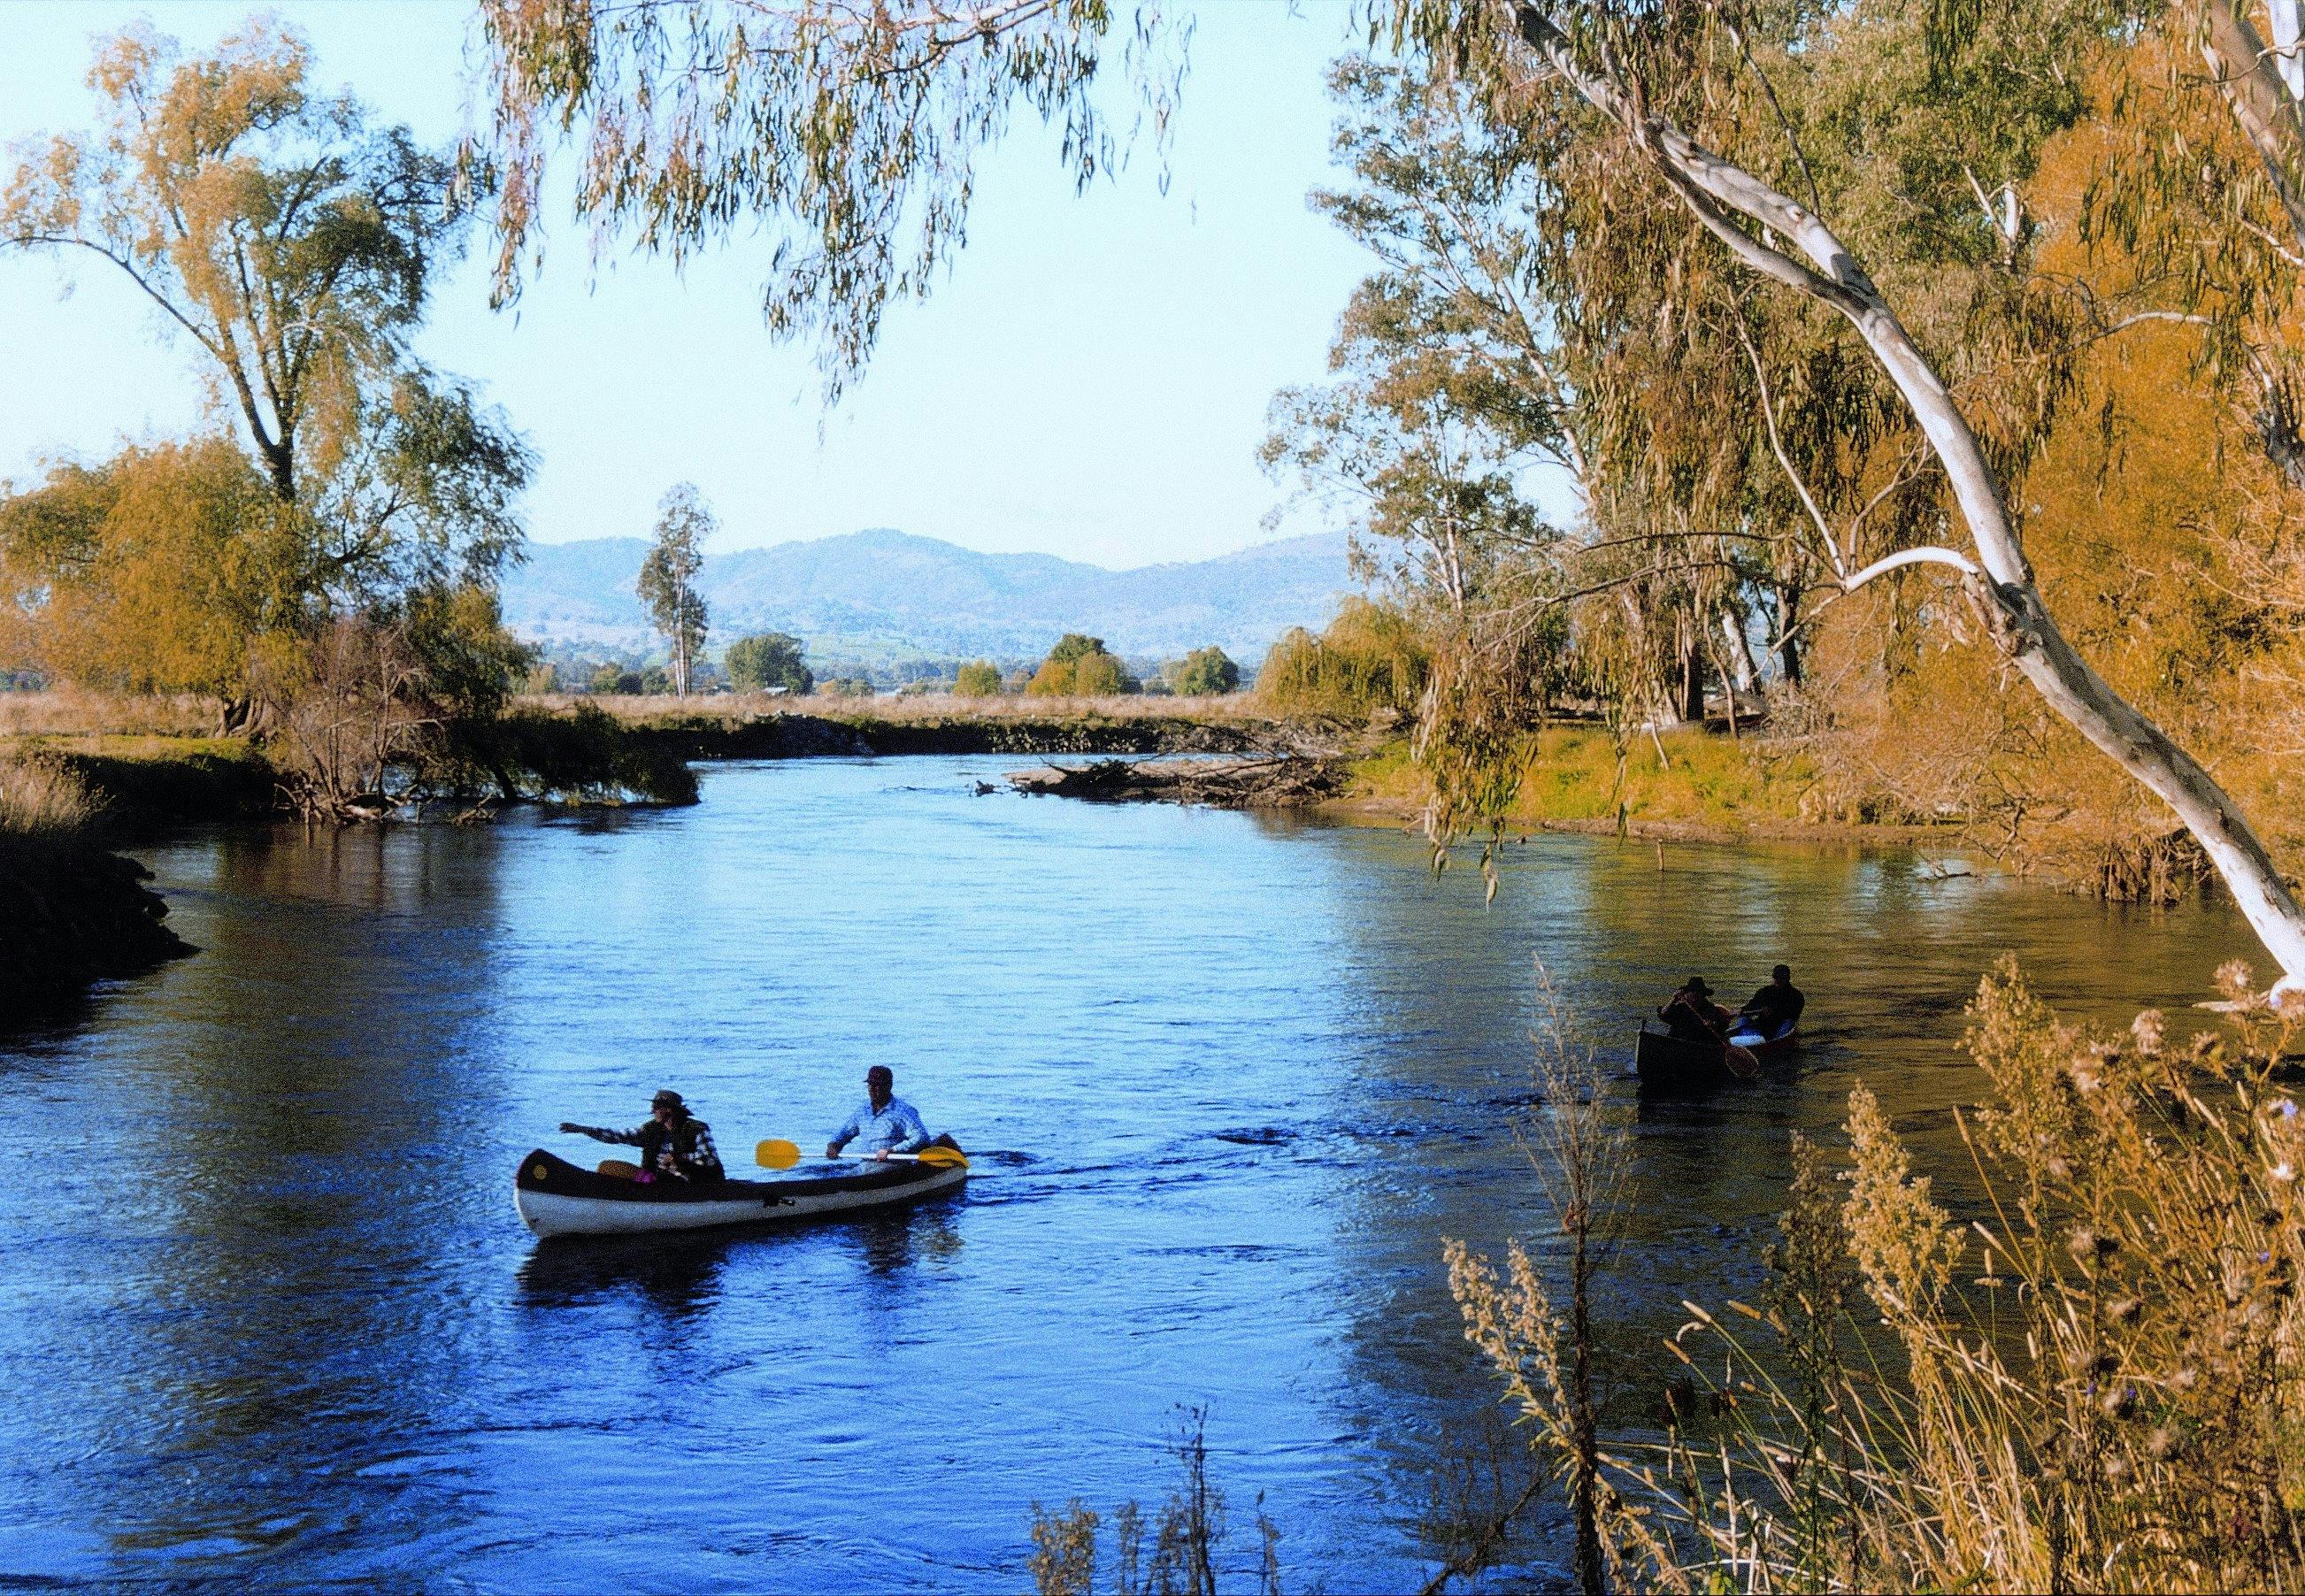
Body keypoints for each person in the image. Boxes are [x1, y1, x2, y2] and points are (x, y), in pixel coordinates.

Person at [562, 1089, 725, 1184]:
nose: (652, 1110)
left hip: (689, 1184)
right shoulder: (651, 1130)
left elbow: (710, 1159)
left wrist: (680, 1158)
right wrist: (582, 1129)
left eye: (656, 1107)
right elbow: (617, 1136)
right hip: (657, 1181)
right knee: (607, 1167)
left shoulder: (696, 1129)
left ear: (669, 1110)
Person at [827, 1065, 933, 1162]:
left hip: (891, 1165)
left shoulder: (903, 1111)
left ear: (889, 1086)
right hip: (865, 1164)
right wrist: (834, 1146)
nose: (872, 1089)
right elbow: (844, 1133)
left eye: (877, 1085)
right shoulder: (862, 1112)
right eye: (870, 1084)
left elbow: (921, 1137)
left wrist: (892, 1150)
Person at [1658, 976, 1733, 1044]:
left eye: (1697, 992)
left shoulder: (1710, 1009)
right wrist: (1673, 1000)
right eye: (1691, 992)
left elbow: (1722, 1024)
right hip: (1676, 1043)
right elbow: (1663, 1014)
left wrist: (1712, 1024)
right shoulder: (1680, 1008)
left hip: (1699, 1044)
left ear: (1703, 995)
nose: (1694, 995)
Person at [1739, 965, 1807, 1038]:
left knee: (1789, 1023)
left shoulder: (1796, 996)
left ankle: (1771, 1039)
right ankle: (1754, 1037)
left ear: (1788, 978)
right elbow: (1752, 1006)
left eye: (1782, 978)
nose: (1778, 980)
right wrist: (1741, 1011)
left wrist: (1773, 1013)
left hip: (1781, 1026)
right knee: (1743, 1020)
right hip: (1763, 1025)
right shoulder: (1764, 992)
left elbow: (1794, 1015)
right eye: (1776, 977)